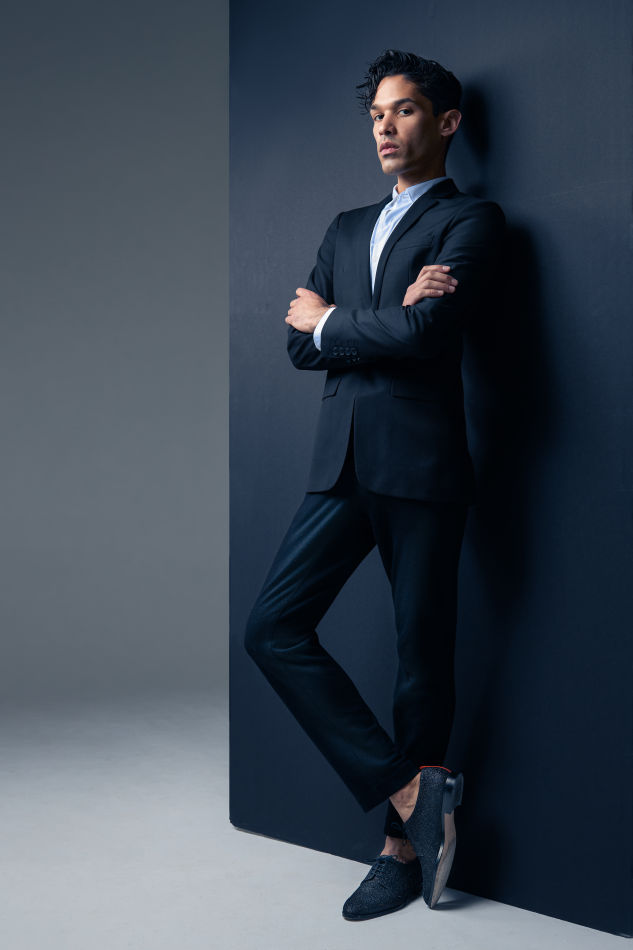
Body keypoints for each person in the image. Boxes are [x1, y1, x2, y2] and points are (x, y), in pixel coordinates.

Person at [244, 48, 505, 920]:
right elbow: (297, 341)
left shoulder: (472, 220)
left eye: (402, 111)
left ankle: (399, 852)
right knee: (273, 629)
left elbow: (429, 335)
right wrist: (377, 321)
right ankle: (411, 792)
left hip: (423, 465)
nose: (384, 128)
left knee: (420, 660)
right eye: (375, 116)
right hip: (340, 463)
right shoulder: (346, 226)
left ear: (446, 122)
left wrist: (337, 323)